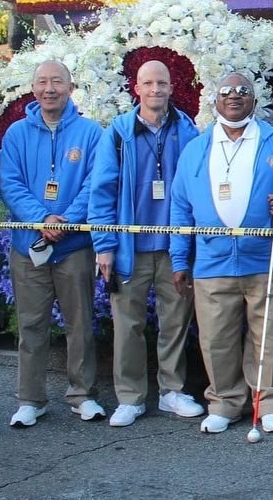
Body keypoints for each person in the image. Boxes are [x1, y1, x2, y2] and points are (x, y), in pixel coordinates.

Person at [169, 74, 273, 435]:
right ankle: (223, 401)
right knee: (215, 338)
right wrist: (178, 259)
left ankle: (270, 401)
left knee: (268, 336)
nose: (234, 97)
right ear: (214, 101)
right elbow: (179, 206)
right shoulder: (196, 149)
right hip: (212, 262)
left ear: (254, 101)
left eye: (243, 92)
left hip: (268, 260)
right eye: (226, 92)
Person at [88, 60, 204, 427]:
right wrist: (104, 245)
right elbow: (102, 191)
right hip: (129, 248)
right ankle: (131, 397)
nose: (155, 89)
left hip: (174, 248)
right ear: (136, 87)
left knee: (175, 323)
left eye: (162, 83)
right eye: (148, 83)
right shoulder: (119, 134)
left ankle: (172, 391)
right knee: (128, 326)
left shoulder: (187, 131)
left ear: (172, 87)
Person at [0, 61, 106, 428]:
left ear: (70, 87)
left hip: (74, 247)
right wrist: (42, 219)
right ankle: (30, 399)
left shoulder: (91, 133)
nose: (49, 88)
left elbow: (96, 183)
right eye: (42, 82)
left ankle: (83, 395)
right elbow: (10, 183)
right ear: (32, 88)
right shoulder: (15, 134)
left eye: (57, 81)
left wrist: (68, 220)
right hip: (29, 245)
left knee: (80, 324)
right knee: (31, 325)